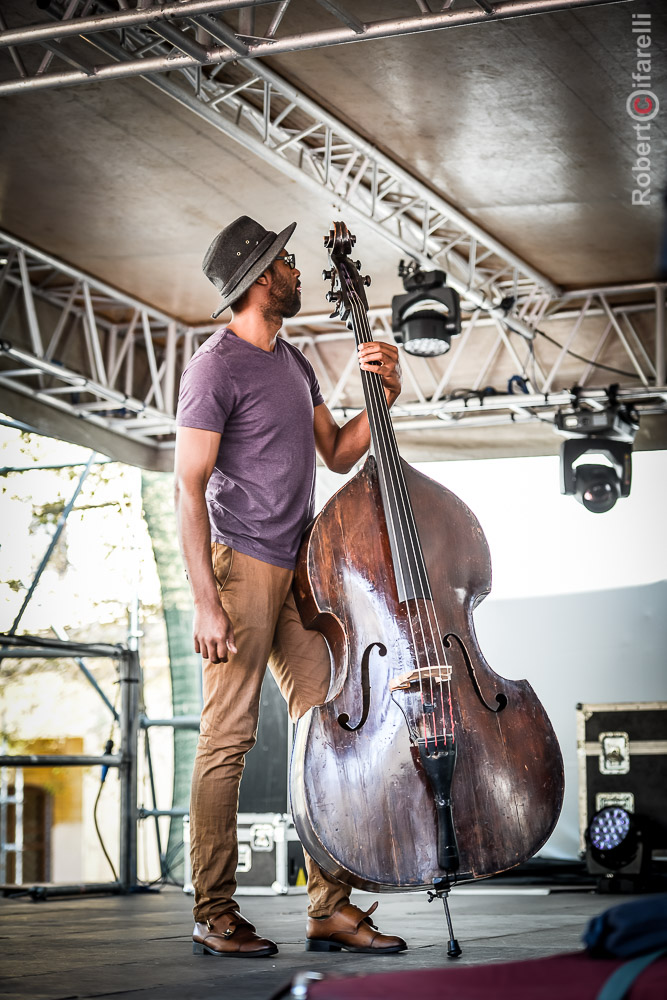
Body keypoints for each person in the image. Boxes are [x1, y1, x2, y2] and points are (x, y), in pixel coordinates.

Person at [174, 216, 406, 958]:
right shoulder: (214, 368)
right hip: (239, 566)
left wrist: (384, 395)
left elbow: (338, 453)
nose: (297, 270)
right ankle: (214, 911)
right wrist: (207, 601)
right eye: (285, 263)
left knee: (326, 735)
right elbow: (187, 487)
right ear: (258, 278)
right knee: (227, 741)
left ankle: (328, 908)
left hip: (298, 569)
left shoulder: (292, 361)